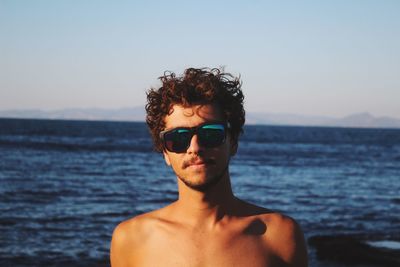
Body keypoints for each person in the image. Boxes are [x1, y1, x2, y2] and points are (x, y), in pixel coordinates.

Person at [110, 67, 308, 267]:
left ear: (233, 142)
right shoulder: (130, 240)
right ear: (165, 153)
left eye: (211, 133)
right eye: (178, 138)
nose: (194, 148)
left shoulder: (279, 235)